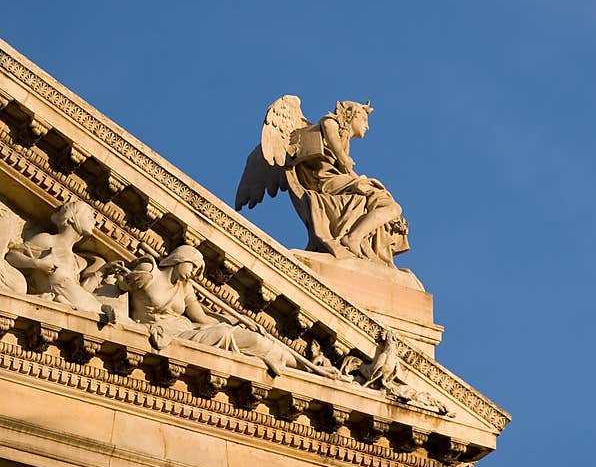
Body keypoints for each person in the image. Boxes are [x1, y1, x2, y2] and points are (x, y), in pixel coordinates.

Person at [119, 244, 345, 380]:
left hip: (183, 331)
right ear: (180, 259)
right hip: (156, 331)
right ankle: (310, 369)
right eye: (193, 266)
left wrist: (238, 320)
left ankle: (311, 370)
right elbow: (118, 287)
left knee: (247, 337)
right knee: (225, 335)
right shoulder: (149, 271)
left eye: (199, 270)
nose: (195, 273)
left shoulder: (185, 289)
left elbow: (202, 318)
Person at [295, 101, 408, 264]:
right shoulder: (330, 123)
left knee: (387, 202)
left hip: (339, 179)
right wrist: (342, 157)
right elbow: (328, 128)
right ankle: (353, 237)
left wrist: (359, 179)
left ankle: (361, 234)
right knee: (390, 205)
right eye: (364, 120)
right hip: (327, 180)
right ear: (353, 115)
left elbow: (346, 170)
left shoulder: (344, 138)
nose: (367, 126)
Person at [5, 201, 106, 314]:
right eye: (89, 216)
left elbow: (78, 291)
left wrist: (102, 272)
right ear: (72, 218)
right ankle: (100, 309)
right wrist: (38, 264)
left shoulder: (76, 260)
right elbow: (11, 256)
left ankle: (98, 308)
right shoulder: (48, 240)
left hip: (71, 299)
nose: (94, 221)